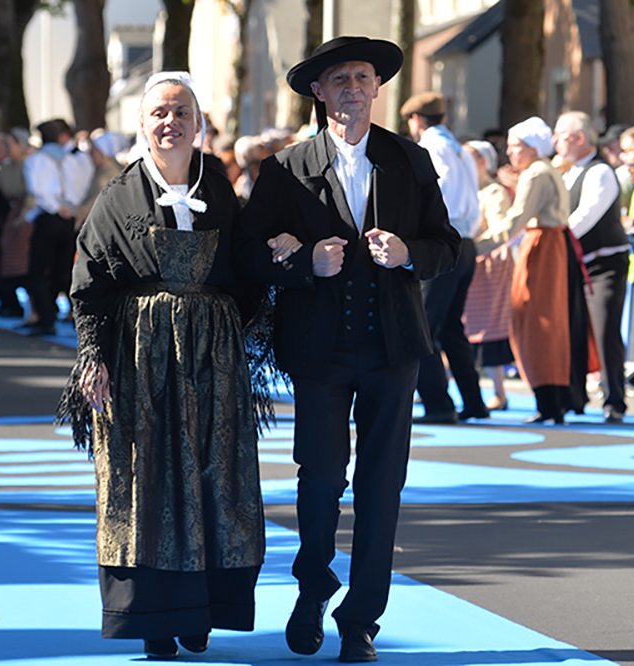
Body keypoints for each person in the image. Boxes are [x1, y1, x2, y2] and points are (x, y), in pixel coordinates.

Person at [234, 36, 460, 662]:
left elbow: (449, 243)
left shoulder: (409, 160)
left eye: (363, 78)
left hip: (394, 348)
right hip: (320, 350)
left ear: (377, 88)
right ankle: (312, 593)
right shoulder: (285, 167)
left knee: (382, 486)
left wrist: (412, 254)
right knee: (321, 480)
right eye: (340, 80)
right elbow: (248, 256)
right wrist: (306, 262)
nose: (353, 89)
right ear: (319, 92)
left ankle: (361, 620)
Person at [55, 72, 267, 660]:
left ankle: (202, 608)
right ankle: (152, 618)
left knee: (213, 478)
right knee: (143, 483)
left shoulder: (222, 191)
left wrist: (240, 312)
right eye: (158, 113)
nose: (169, 122)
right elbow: (89, 284)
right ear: (142, 124)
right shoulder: (115, 196)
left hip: (213, 362)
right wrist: (92, 356)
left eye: (180, 112)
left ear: (198, 123)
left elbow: (245, 271)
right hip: (139, 359)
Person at [491, 116, 586, 424]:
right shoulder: (543, 171)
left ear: (531, 147)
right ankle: (553, 399)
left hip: (543, 247)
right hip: (548, 245)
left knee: (538, 321)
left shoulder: (536, 174)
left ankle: (549, 400)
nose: (510, 153)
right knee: (546, 321)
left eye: (515, 146)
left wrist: (477, 244)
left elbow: (517, 219)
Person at [402, 91, 488, 424]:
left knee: (421, 324)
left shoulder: (430, 148)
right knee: (450, 326)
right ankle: (472, 399)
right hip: (465, 240)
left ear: (416, 121)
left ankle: (438, 403)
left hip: (443, 240)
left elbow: (437, 198)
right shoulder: (461, 150)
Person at [553, 111, 629, 422]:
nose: (555, 141)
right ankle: (575, 395)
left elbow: (584, 217)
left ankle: (614, 401)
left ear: (580, 138)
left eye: (561, 134)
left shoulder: (600, 172)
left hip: (603, 263)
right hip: (575, 260)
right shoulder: (569, 173)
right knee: (573, 327)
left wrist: (555, 237)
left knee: (604, 330)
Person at [21, 118, 95, 335]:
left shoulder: (36, 160)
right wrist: (69, 207)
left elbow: (37, 190)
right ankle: (64, 313)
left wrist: (55, 205)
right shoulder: (74, 160)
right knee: (63, 269)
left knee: (37, 270)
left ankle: (46, 317)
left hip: (48, 217)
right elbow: (81, 187)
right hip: (69, 218)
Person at [464, 139, 514, 411]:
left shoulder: (493, 192)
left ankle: (499, 392)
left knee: (489, 328)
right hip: (474, 263)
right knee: (463, 326)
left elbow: (498, 227)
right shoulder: (471, 190)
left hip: (490, 265)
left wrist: (474, 241)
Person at [0, 132, 28, 317]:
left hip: (20, 222)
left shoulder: (28, 165)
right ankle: (8, 303)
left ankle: (17, 305)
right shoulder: (5, 169)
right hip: (6, 224)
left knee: (18, 266)